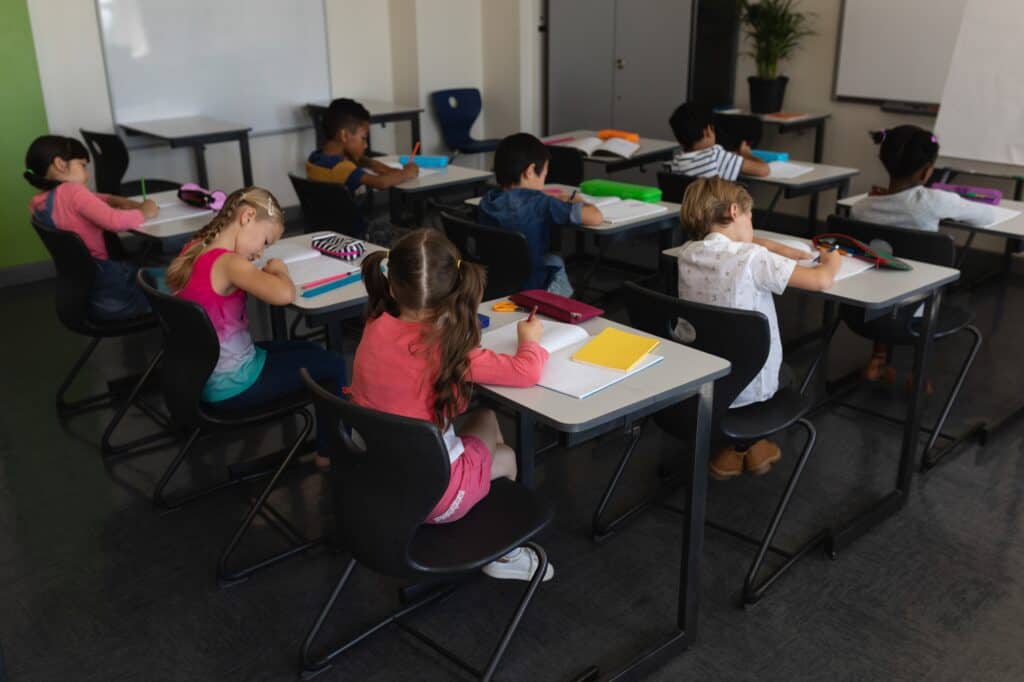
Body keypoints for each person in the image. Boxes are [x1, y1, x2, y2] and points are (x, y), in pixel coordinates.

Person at [350, 228, 553, 581]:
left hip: (375, 482)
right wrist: (530, 339)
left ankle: (481, 520)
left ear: (393, 285)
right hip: (435, 496)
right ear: (454, 289)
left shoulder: (374, 325)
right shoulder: (449, 348)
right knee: (506, 457)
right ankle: (505, 555)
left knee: (486, 417)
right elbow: (526, 372)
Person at [166, 187, 347, 469]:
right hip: (234, 385)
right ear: (248, 216)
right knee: (334, 364)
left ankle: (329, 443)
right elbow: (284, 295)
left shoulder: (196, 247)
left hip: (203, 375)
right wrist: (279, 270)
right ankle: (331, 453)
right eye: (265, 240)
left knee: (309, 350)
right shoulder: (229, 263)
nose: (261, 251)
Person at [674, 177, 839, 479]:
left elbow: (741, 246)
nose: (752, 224)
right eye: (751, 217)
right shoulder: (752, 259)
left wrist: (773, 246)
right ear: (735, 211)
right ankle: (747, 447)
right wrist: (832, 259)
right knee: (787, 373)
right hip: (749, 389)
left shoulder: (687, 252)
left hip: (702, 378)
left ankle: (742, 451)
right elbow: (820, 281)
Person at [852, 125, 995, 381]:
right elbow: (987, 215)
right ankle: (918, 375)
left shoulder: (861, 208)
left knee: (885, 271)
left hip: (866, 306)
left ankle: (878, 360)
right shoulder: (935, 201)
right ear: (927, 170)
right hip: (917, 311)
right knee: (923, 283)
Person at [25, 135, 159, 321]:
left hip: (91, 294)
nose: (87, 175)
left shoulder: (40, 202)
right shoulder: (73, 191)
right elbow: (114, 221)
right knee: (169, 278)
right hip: (119, 297)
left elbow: (88, 199)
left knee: (151, 271)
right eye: (82, 165)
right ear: (60, 164)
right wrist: (145, 211)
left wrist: (115, 200)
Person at [478, 132, 602, 296]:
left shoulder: (487, 201)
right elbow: (595, 217)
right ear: (530, 171)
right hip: (532, 287)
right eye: (544, 175)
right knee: (555, 261)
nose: (544, 181)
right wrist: (578, 200)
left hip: (493, 285)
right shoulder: (542, 204)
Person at [305, 98, 418, 243]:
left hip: (327, 231)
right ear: (344, 135)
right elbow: (380, 183)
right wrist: (407, 172)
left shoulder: (315, 158)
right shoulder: (341, 168)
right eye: (363, 138)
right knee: (413, 236)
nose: (365, 145)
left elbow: (359, 161)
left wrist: (376, 165)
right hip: (357, 234)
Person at [667, 102, 769, 180]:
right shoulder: (716, 157)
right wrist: (747, 154)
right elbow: (764, 170)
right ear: (708, 131)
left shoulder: (677, 162)